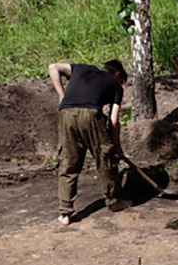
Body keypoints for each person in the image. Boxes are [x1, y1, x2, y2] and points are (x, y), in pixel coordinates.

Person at [47, 59, 127, 226]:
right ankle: (114, 202)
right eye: (121, 81)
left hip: (66, 113)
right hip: (90, 114)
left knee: (68, 161)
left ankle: (65, 213)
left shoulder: (82, 69)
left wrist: (62, 96)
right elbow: (113, 121)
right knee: (105, 158)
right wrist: (116, 147)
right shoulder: (116, 85)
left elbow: (53, 67)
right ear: (118, 74)